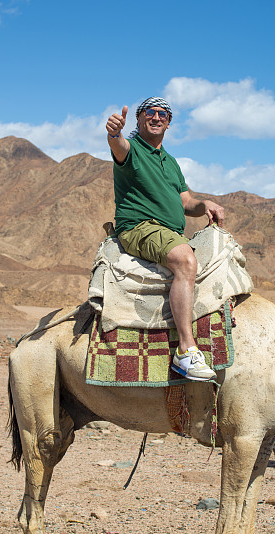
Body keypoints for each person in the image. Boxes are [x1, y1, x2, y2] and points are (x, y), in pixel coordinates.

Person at [106, 97, 224, 382]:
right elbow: (118, 147)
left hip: (170, 232)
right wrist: (113, 134)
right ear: (138, 119)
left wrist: (205, 204)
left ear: (169, 123)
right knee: (185, 260)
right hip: (140, 227)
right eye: (150, 112)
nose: (156, 117)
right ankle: (185, 351)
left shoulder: (170, 162)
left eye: (163, 114)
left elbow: (186, 202)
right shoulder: (132, 149)